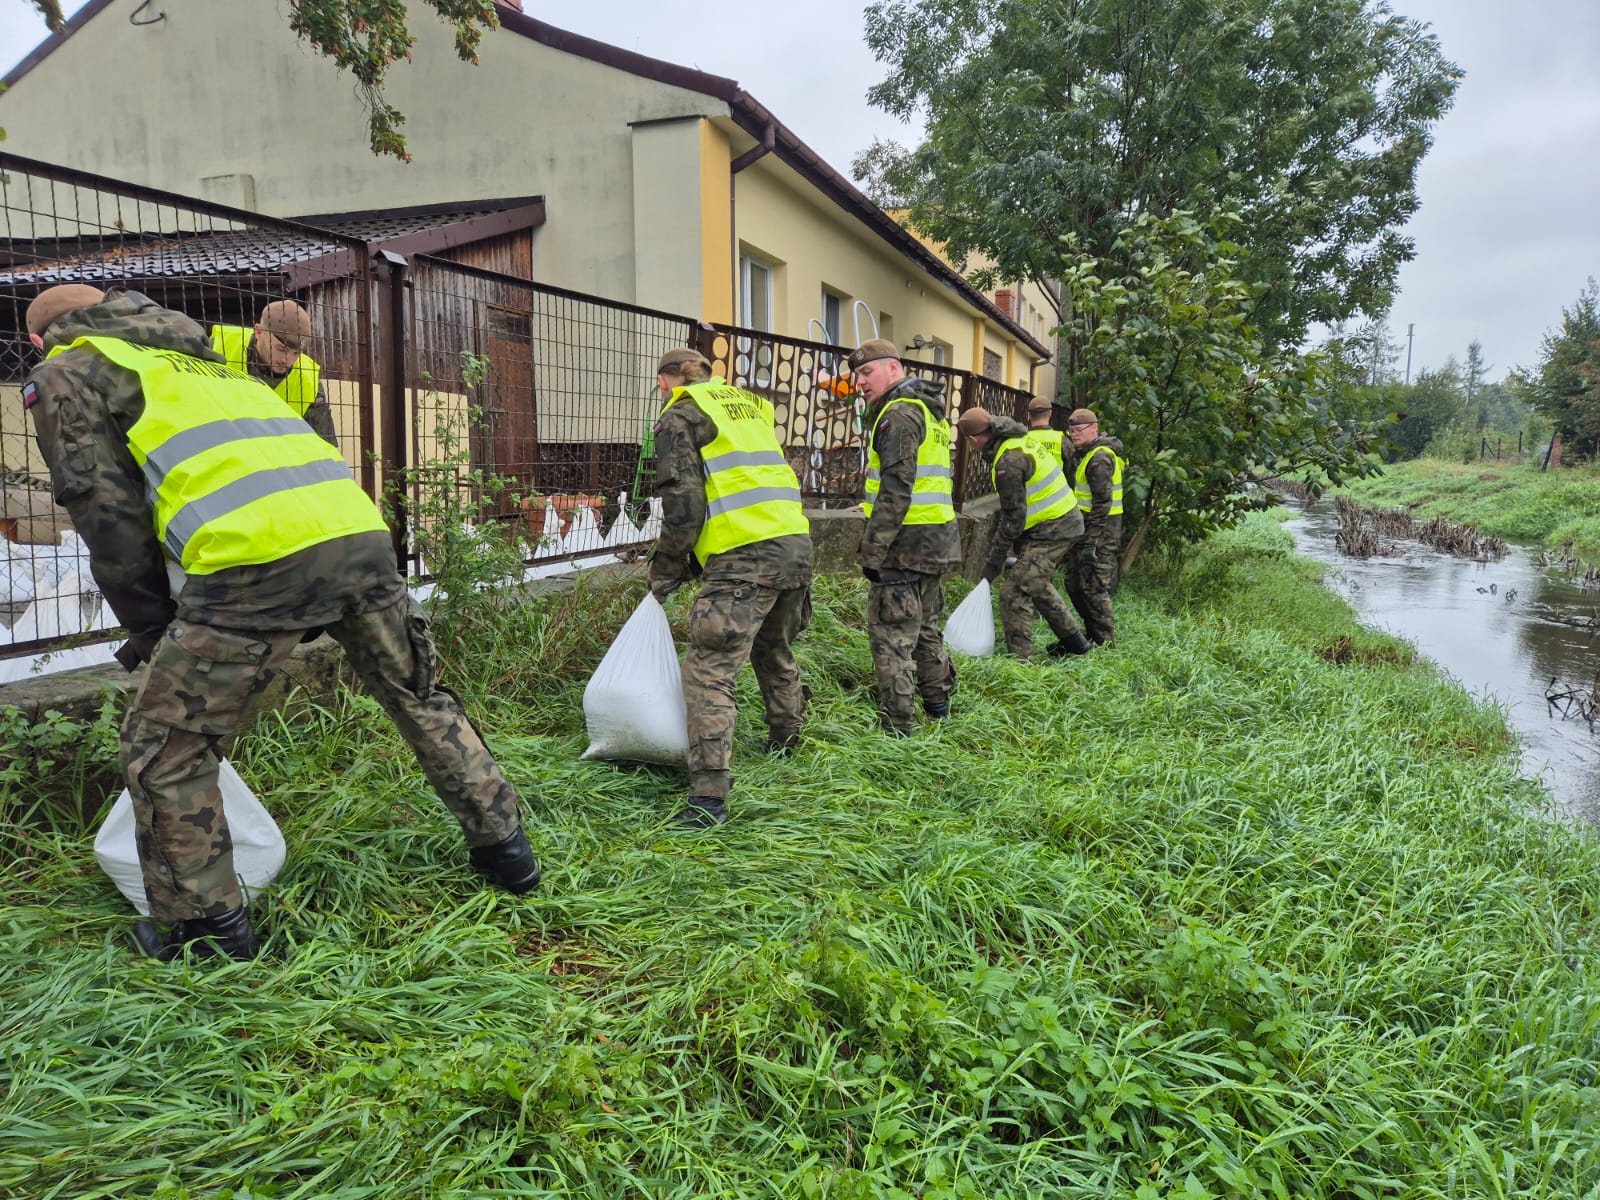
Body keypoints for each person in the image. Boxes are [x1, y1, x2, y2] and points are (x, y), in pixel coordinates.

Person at [22, 285, 539, 963]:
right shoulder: (208, 365)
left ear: (38, 339)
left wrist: (150, 627)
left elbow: (105, 513)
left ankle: (204, 929)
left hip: (253, 564)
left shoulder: (70, 369)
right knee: (419, 695)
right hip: (358, 539)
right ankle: (509, 853)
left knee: (166, 749)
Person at [647, 347, 813, 829]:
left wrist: (666, 568)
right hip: (795, 543)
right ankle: (786, 739)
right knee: (773, 646)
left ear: (666, 381)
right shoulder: (750, 406)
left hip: (744, 555)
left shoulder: (680, 414)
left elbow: (684, 501)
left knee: (709, 670)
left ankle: (709, 798)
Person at [847, 338, 960, 734]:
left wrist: (872, 552)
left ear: (893, 369)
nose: (859, 381)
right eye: (856, 374)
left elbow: (896, 488)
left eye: (866, 371)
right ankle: (938, 703)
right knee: (926, 627)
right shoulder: (930, 411)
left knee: (892, 636)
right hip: (938, 539)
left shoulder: (899, 414)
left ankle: (898, 726)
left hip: (904, 545)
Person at [956, 407, 1092, 660]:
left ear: (972, 440)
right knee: (1035, 583)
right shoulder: (1015, 438)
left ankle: (1021, 662)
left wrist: (993, 563)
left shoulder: (1008, 461)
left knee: (1014, 590)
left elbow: (1012, 520)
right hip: (1058, 521)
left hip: (1056, 527)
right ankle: (1076, 643)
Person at [211, 300, 339, 447]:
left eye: (296, 353)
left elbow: (326, 447)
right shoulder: (220, 347)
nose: (287, 360)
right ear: (259, 332)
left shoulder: (307, 378)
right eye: (281, 349)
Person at [1064, 407, 1127, 645]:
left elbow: (1102, 502)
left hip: (1101, 533)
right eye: (1071, 431)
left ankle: (1105, 642)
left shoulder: (1099, 457)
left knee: (1095, 588)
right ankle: (1092, 633)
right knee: (1074, 583)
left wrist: (1091, 540)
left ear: (1094, 428)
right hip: (1086, 531)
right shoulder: (1087, 454)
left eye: (1079, 430)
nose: (1075, 435)